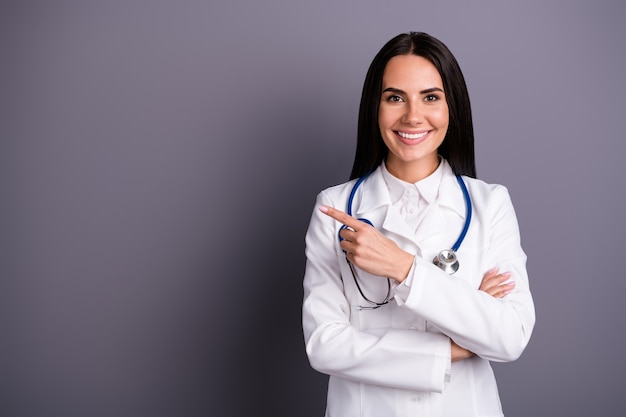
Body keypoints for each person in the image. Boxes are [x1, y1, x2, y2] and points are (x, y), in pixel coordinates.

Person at [301, 32, 535, 417]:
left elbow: (510, 336)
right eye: (395, 97)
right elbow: (324, 344)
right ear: (374, 108)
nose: (412, 116)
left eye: (430, 97)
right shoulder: (335, 207)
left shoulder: (490, 204)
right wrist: (454, 346)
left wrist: (403, 267)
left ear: (451, 107)